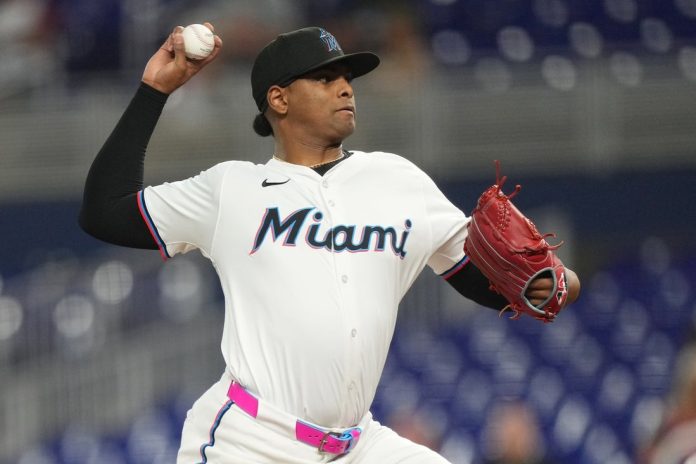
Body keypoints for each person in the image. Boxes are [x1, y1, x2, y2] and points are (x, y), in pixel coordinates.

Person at [79, 23, 580, 464]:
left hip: (357, 445)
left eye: (347, 78)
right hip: (251, 441)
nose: (345, 88)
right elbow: (105, 212)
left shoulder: (398, 181)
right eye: (324, 78)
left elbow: (485, 279)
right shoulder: (231, 190)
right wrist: (154, 91)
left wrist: (549, 285)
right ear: (279, 99)